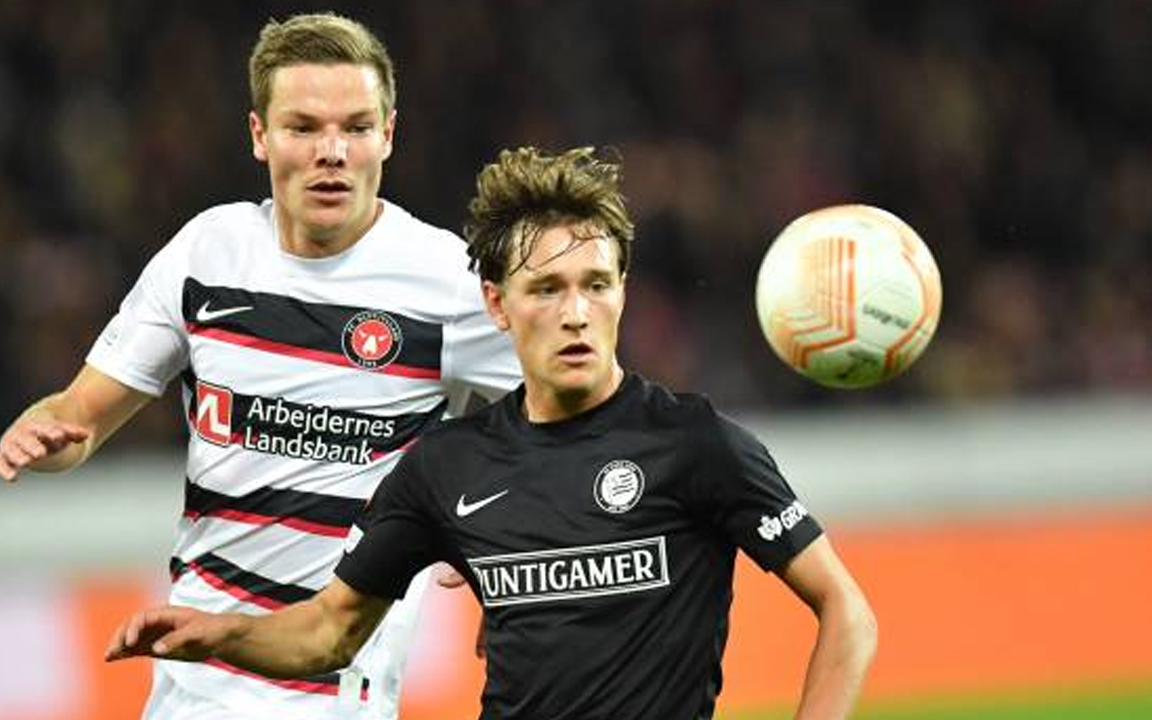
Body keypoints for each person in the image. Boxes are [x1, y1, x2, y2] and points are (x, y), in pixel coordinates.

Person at [104, 146, 878, 720]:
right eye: (546, 288)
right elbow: (328, 633)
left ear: (622, 294)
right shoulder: (447, 465)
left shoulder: (696, 445)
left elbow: (847, 611)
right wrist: (216, 634)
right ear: (498, 304)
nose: (575, 312)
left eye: (595, 285)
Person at [0, 13, 519, 720]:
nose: (332, 151)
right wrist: (45, 431)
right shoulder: (206, 255)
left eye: (356, 127)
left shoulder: (447, 282)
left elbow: (568, 415)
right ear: (259, 135)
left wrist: (508, 549)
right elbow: (76, 416)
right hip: (192, 686)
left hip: (339, 693)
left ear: (387, 135)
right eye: (303, 127)